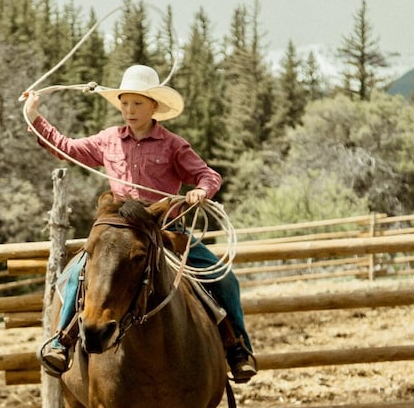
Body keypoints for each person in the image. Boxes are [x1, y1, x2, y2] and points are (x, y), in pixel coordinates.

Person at [23, 64, 257, 383]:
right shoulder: (108, 140)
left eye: (137, 104)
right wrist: (35, 117)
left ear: (153, 107)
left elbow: (208, 175)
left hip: (165, 231)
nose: (130, 111)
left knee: (225, 279)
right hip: (120, 232)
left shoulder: (174, 145)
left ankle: (237, 348)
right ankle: (63, 341)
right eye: (125, 103)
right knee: (77, 273)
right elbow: (67, 148)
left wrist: (201, 190)